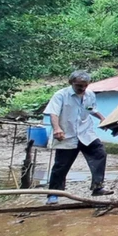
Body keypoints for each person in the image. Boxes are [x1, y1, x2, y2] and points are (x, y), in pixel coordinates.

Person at [44, 70, 112, 204]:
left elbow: (91, 109)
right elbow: (53, 113)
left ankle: (97, 187)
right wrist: (57, 129)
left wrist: (103, 119)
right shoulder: (61, 95)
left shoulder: (90, 95)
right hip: (67, 135)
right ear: (71, 83)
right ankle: (53, 194)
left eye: (85, 85)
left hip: (86, 133)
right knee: (61, 165)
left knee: (100, 154)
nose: (82, 88)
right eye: (79, 86)